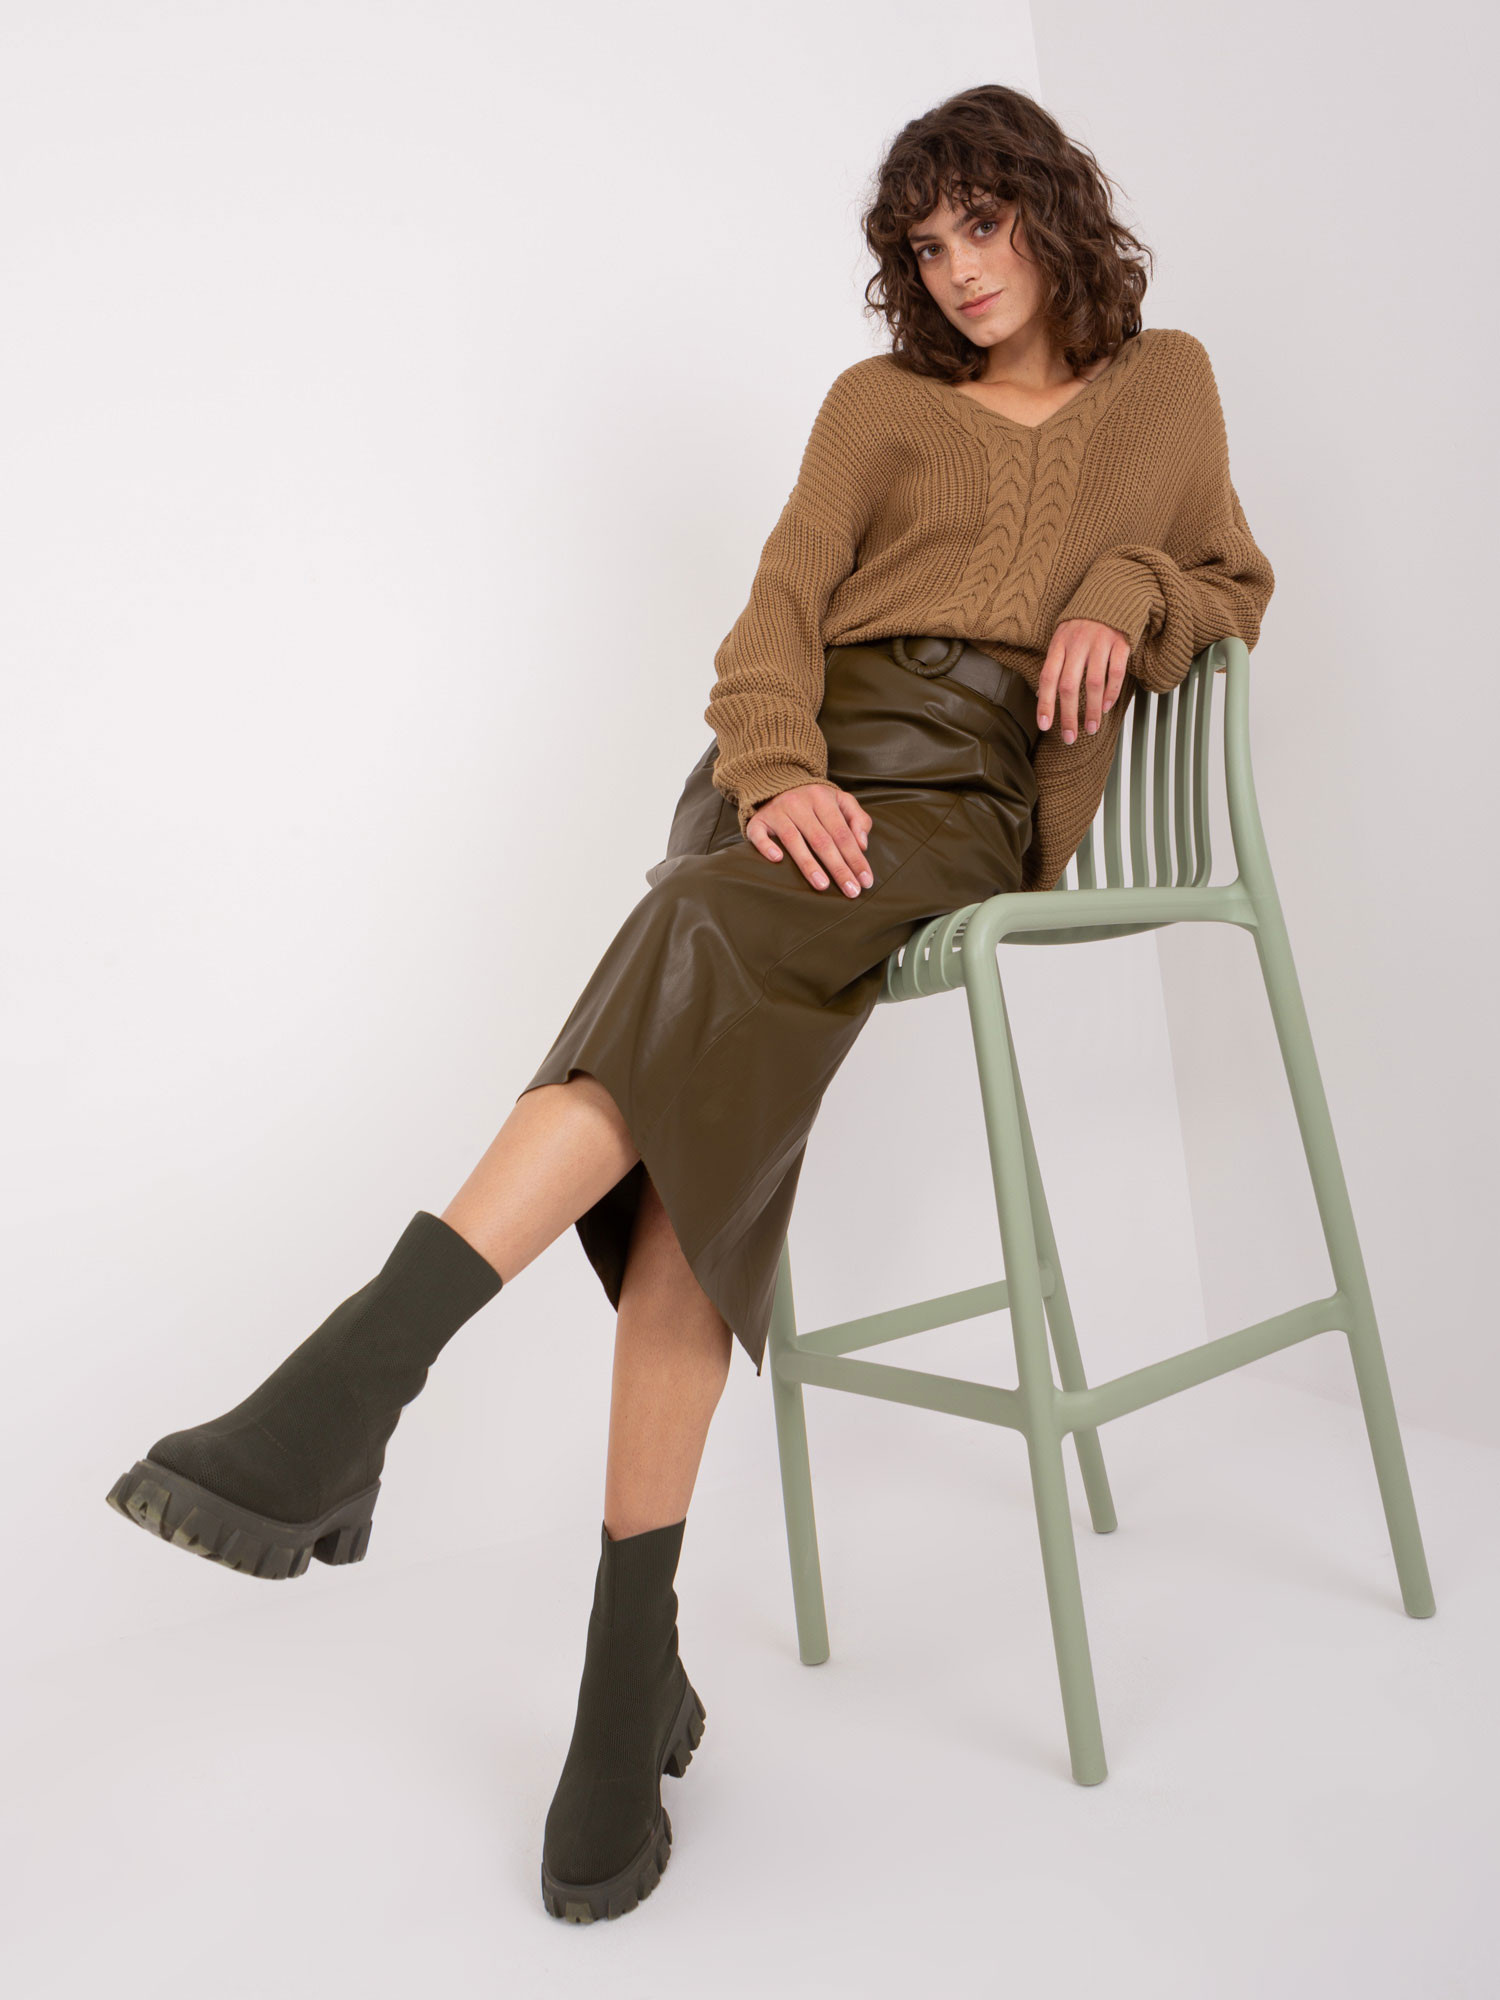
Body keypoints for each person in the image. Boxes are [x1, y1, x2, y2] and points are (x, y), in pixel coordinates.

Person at [105, 82, 1274, 1922]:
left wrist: (1126, 587)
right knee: (691, 1115)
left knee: (696, 945)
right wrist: (778, 766)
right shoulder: (876, 407)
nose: (958, 270)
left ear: (1054, 212)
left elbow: (1232, 582)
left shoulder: (1168, 387)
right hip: (795, 787)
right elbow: (776, 611)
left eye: (983, 225)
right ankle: (618, 1677)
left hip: (960, 796)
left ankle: (358, 1387)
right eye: (927, 245)